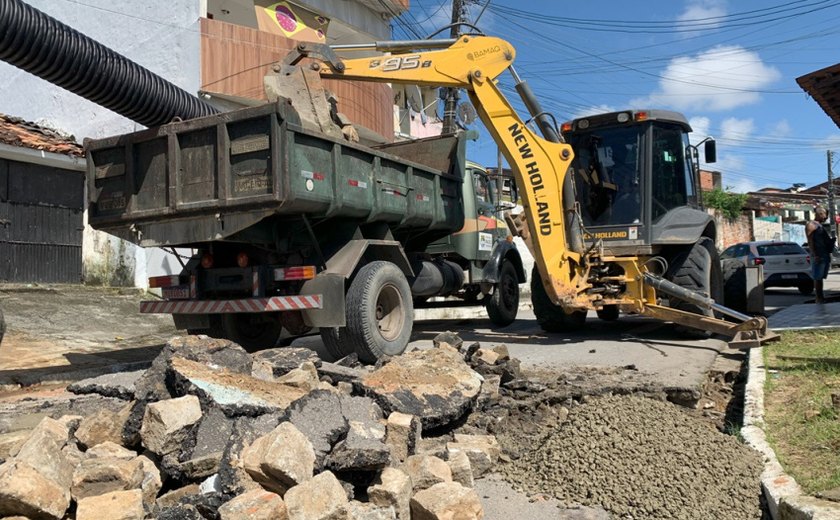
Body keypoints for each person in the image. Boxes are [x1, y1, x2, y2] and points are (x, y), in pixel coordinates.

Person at [806, 206, 834, 303]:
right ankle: (819, 298)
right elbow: (810, 241)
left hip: (824, 254)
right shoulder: (811, 225)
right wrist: (815, 254)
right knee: (817, 277)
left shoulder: (820, 225)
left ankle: (821, 297)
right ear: (820, 214)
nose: (826, 218)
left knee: (821, 277)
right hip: (818, 255)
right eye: (825, 215)